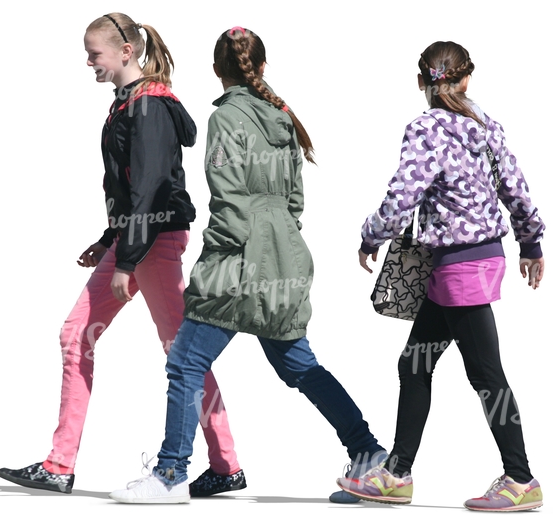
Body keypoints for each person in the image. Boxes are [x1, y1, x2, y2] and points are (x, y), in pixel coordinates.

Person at [107, 26, 387, 504]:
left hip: (239, 258)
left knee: (186, 363)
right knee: (299, 365)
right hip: (285, 254)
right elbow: (296, 198)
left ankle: (171, 473)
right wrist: (278, 235)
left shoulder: (228, 119)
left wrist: (217, 255)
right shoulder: (282, 117)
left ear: (218, 70)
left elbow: (228, 198)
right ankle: (369, 454)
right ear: (260, 66)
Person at [0, 13, 245, 496]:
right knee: (76, 335)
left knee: (183, 353)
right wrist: (110, 240)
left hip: (152, 244)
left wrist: (126, 259)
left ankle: (226, 462)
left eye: (95, 53)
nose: (89, 62)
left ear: (126, 51)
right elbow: (136, 189)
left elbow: (151, 189)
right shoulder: (131, 103)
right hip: (135, 240)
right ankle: (59, 464)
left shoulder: (149, 107)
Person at [336, 41, 545, 512]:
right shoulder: (486, 125)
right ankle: (397, 473)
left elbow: (402, 194)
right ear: (467, 78)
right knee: (415, 363)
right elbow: (516, 186)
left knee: (487, 375)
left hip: (458, 268)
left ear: (420, 82)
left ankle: (521, 477)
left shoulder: (427, 128)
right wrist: (530, 243)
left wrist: (371, 235)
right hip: (474, 262)